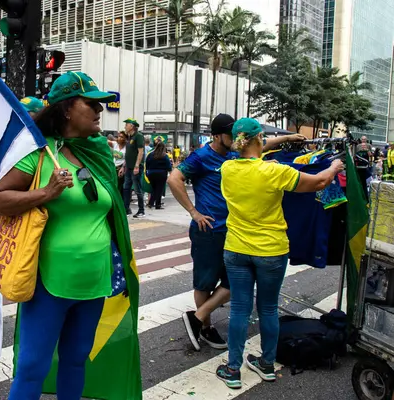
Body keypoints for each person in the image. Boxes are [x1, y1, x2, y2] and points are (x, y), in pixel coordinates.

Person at [0, 71, 127, 399]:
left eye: (101, 105)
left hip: (94, 280)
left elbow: (110, 211)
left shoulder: (98, 154)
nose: (99, 111)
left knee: (76, 360)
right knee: (32, 367)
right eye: (91, 104)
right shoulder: (38, 153)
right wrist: (46, 193)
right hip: (49, 282)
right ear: (66, 109)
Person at [215, 118, 344, 389]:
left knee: (239, 309)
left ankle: (233, 368)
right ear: (260, 139)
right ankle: (266, 364)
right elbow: (320, 182)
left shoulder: (227, 168)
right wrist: (334, 166)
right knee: (268, 308)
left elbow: (250, 162)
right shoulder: (276, 173)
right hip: (271, 251)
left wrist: (271, 155)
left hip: (236, 248)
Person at [167, 113, 306, 352]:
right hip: (208, 230)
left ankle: (198, 317)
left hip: (234, 230)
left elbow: (262, 143)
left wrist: (288, 137)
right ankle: (206, 327)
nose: (237, 138)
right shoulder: (201, 157)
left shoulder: (235, 151)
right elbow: (174, 178)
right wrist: (194, 212)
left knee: (237, 282)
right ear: (217, 136)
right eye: (231, 135)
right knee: (205, 282)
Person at [121, 118, 145, 218]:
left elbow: (140, 152)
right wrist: (123, 166)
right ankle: (126, 209)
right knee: (126, 188)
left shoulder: (138, 136)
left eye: (126, 125)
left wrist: (137, 166)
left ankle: (141, 210)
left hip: (135, 168)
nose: (125, 126)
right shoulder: (129, 137)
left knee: (137, 189)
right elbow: (127, 154)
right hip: (128, 167)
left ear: (132, 126)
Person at [145, 140, 172, 209]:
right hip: (161, 174)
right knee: (159, 189)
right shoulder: (164, 156)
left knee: (154, 189)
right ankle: (158, 205)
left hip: (151, 173)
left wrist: (147, 172)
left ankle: (150, 203)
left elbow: (147, 164)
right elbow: (169, 167)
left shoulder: (150, 155)